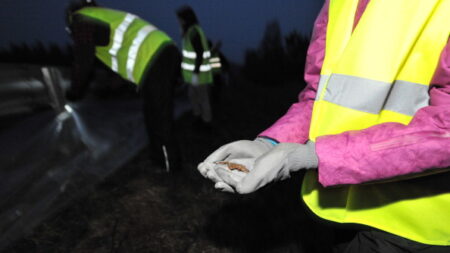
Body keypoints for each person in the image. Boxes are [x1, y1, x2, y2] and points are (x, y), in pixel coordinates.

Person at [198, 0, 450, 252]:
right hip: (338, 209)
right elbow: (320, 97)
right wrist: (269, 144)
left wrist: (317, 155)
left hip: (414, 228)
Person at [65, 0, 181, 171]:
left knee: (158, 114)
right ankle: (160, 160)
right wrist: (109, 88)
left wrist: (74, 92)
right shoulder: (103, 18)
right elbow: (120, 59)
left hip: (153, 56)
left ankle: (170, 166)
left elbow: (83, 60)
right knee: (153, 112)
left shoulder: (81, 19)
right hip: (162, 53)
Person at [176, 6, 214, 125]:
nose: (179, 21)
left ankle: (206, 123)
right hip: (196, 75)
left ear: (186, 19)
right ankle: (199, 119)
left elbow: (200, 53)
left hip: (199, 75)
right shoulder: (191, 32)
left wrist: (196, 73)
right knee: (194, 97)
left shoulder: (193, 32)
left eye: (180, 19)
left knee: (202, 99)